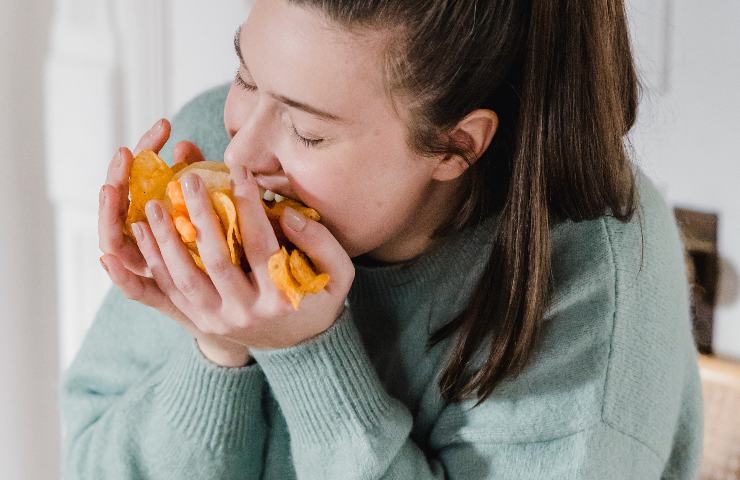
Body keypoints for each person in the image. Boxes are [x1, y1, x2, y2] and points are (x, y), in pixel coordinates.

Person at [60, 0, 703, 478]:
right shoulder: (213, 145)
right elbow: (87, 461)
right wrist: (218, 348)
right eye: (246, 77)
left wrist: (309, 355)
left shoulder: (596, 283)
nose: (240, 152)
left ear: (456, 145)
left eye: (307, 133)